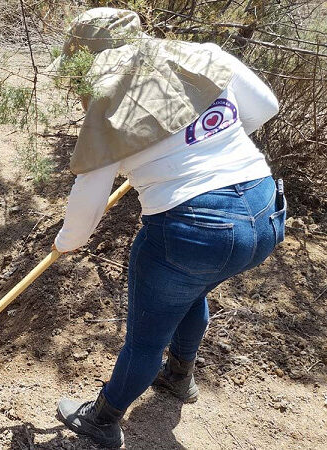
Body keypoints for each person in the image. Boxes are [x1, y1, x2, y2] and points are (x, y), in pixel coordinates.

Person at [48, 8, 286, 448]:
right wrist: (210, 145)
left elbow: (88, 197)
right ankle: (179, 376)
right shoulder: (202, 56)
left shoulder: (107, 105)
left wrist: (67, 242)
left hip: (193, 229)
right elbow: (264, 107)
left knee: (144, 337)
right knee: (191, 289)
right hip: (264, 208)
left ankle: (102, 418)